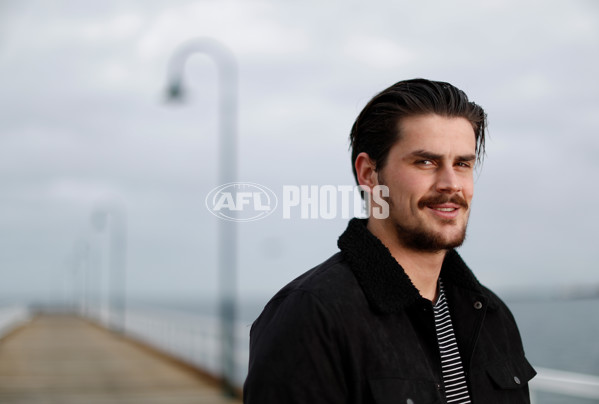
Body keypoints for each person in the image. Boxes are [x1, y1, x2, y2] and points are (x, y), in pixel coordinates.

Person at [243, 79, 536, 403]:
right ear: (369, 174)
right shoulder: (312, 315)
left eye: (462, 164)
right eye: (425, 162)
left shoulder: (491, 316)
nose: (451, 184)